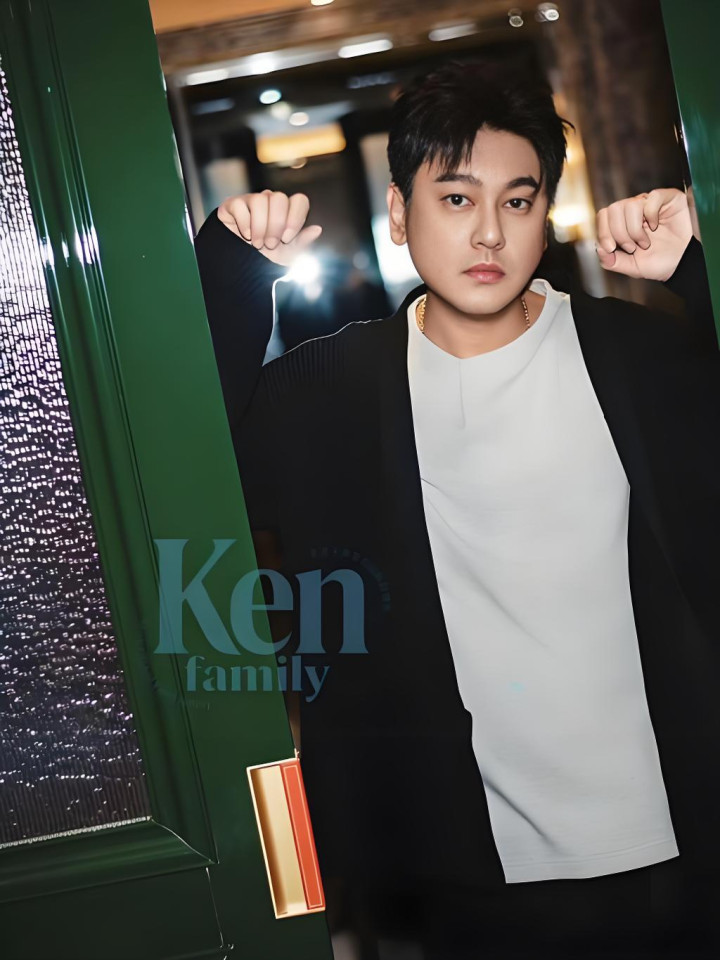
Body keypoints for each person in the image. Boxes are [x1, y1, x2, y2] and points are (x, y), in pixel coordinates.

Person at [193, 60, 720, 958]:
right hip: (468, 870)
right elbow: (191, 463)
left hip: (682, 839)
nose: (488, 233)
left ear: (545, 216)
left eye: (518, 201)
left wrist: (704, 268)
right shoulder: (335, 391)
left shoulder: (636, 356)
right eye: (455, 198)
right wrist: (230, 278)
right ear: (400, 213)